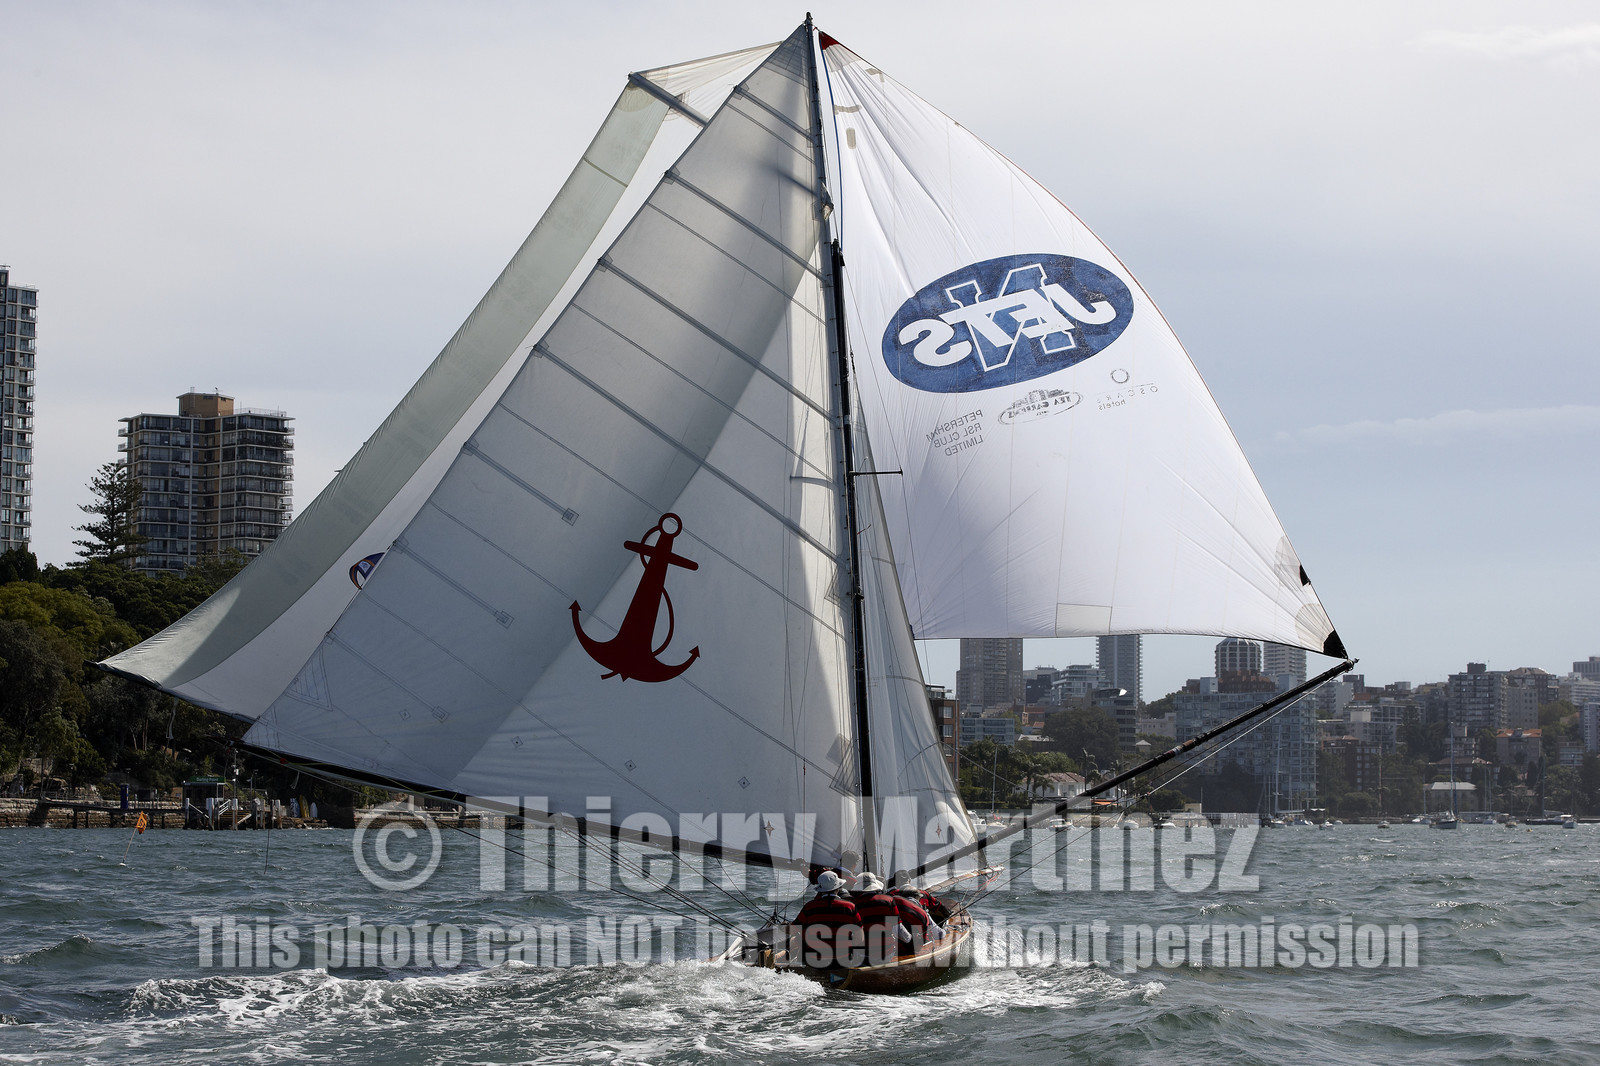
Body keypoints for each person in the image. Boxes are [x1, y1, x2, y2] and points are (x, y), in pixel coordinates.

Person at [791, 870, 861, 968]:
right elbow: (859, 937)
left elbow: (793, 929)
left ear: (821, 889)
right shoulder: (850, 907)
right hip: (842, 961)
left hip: (814, 961)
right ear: (838, 888)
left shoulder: (810, 907)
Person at [850, 873, 904, 965]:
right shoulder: (889, 900)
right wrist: (909, 939)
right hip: (885, 953)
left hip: (861, 954)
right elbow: (897, 929)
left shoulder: (853, 904)